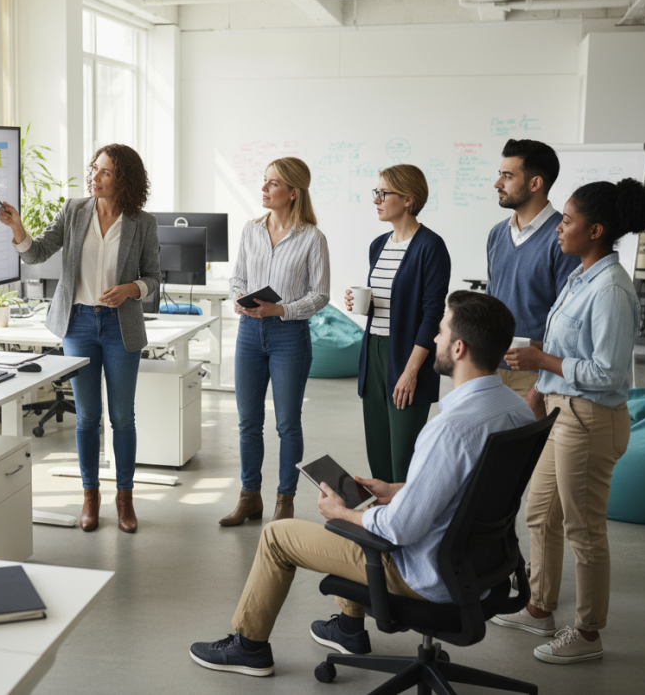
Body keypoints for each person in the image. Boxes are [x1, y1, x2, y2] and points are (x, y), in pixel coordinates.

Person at [190, 292, 534, 676]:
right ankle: (348, 628)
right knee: (365, 507)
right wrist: (397, 490)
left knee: (280, 536)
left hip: (427, 574)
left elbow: (399, 529)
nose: (434, 338)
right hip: (482, 566)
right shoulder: (515, 409)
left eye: (440, 332)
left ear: (458, 348)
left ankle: (249, 647)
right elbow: (469, 487)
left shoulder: (449, 429)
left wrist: (341, 513)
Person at [494, 179, 645, 664]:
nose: (558, 228)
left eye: (566, 221)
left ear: (596, 230)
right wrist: (539, 382)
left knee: (584, 531)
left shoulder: (611, 289)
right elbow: (563, 346)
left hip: (590, 420)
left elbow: (607, 372)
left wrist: (542, 364)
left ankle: (588, 633)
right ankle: (539, 607)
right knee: (540, 513)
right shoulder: (580, 276)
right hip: (561, 412)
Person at [0, 144, 161, 534]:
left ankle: (125, 498)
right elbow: (37, 254)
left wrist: (130, 289)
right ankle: (90, 496)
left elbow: (154, 279)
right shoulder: (74, 210)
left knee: (122, 417)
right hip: (79, 324)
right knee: (87, 417)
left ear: (124, 180)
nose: (94, 177)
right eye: (94, 169)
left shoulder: (142, 222)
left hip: (121, 326)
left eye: (104, 172)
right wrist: (17, 228)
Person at [220, 157, 330, 527]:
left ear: (293, 192)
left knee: (287, 424)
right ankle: (249, 497)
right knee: (248, 422)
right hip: (249, 334)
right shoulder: (251, 230)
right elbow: (237, 277)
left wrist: (280, 310)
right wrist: (239, 298)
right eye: (264, 181)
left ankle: (286, 500)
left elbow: (320, 295)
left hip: (289, 337)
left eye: (273, 183)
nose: (264, 189)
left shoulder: (312, 238)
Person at [345, 164, 450, 483]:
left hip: (408, 355)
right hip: (373, 353)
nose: (376, 199)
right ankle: (382, 513)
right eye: (375, 192)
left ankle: (405, 513)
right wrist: (361, 304)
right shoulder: (378, 245)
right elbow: (391, 303)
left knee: (402, 457)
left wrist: (411, 371)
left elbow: (432, 315)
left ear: (408, 199)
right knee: (377, 452)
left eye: (383, 193)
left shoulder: (430, 246)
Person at [487, 139, 580, 419]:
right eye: (500, 174)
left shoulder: (563, 239)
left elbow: (570, 326)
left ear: (535, 183)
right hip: (491, 371)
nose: (497, 183)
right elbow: (491, 304)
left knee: (531, 449)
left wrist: (538, 389)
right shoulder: (496, 234)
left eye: (507, 176)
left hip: (536, 377)